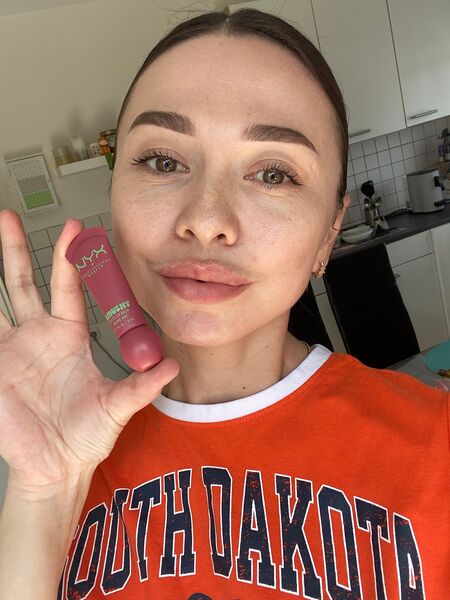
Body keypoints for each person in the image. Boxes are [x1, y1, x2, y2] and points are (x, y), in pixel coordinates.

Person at [0, 8, 448, 600]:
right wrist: (41, 493)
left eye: (273, 174)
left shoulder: (437, 450)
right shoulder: (65, 462)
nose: (206, 220)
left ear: (329, 232)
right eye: (163, 162)